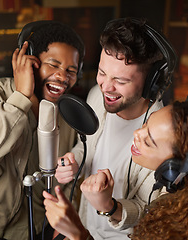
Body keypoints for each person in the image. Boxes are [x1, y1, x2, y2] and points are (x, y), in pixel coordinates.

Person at [44, 89, 188, 240]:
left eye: (149, 140)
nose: (136, 134)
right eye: (146, 125)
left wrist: (79, 234)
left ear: (174, 168)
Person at [0, 20, 85, 240]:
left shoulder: (68, 113)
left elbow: (68, 177)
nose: (62, 77)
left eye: (71, 70)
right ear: (30, 61)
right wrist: (21, 98)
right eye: (53, 64)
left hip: (46, 228)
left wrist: (63, 225)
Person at [54, 17, 177, 239]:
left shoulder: (162, 137)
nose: (106, 87)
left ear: (151, 82)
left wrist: (109, 206)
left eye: (120, 81)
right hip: (84, 228)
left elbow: (148, 210)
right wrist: (73, 162)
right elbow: (88, 149)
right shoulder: (96, 96)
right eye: (102, 73)